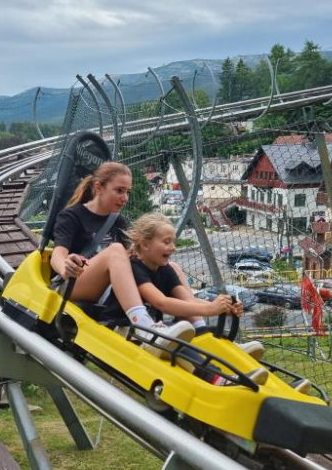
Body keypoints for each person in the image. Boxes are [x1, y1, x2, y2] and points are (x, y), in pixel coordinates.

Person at [112, 212, 268, 385]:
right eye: (166, 242)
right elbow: (161, 303)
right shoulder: (134, 268)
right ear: (145, 244)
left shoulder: (165, 269)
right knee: (178, 338)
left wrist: (222, 307)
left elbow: (189, 301)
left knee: (189, 329)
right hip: (130, 331)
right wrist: (211, 309)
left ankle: (226, 352)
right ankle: (216, 378)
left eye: (174, 242)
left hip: (154, 331)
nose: (173, 247)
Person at [50, 162, 194, 343]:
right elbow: (58, 255)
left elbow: (133, 259)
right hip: (73, 284)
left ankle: (199, 325)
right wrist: (65, 267)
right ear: (98, 188)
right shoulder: (72, 216)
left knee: (171, 266)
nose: (125, 198)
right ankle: (143, 326)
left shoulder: (118, 221)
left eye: (127, 192)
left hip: (107, 288)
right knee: (116, 250)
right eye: (119, 191)